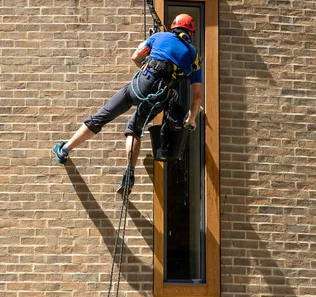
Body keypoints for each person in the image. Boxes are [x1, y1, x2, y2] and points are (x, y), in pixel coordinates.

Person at [52, 13, 203, 194]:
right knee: (134, 129)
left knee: (103, 115)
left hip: (142, 85)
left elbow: (135, 57)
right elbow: (198, 96)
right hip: (160, 98)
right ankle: (129, 171)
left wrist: (146, 64)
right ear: (191, 33)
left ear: (173, 27)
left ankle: (64, 150)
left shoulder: (159, 37)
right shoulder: (194, 57)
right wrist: (191, 119)